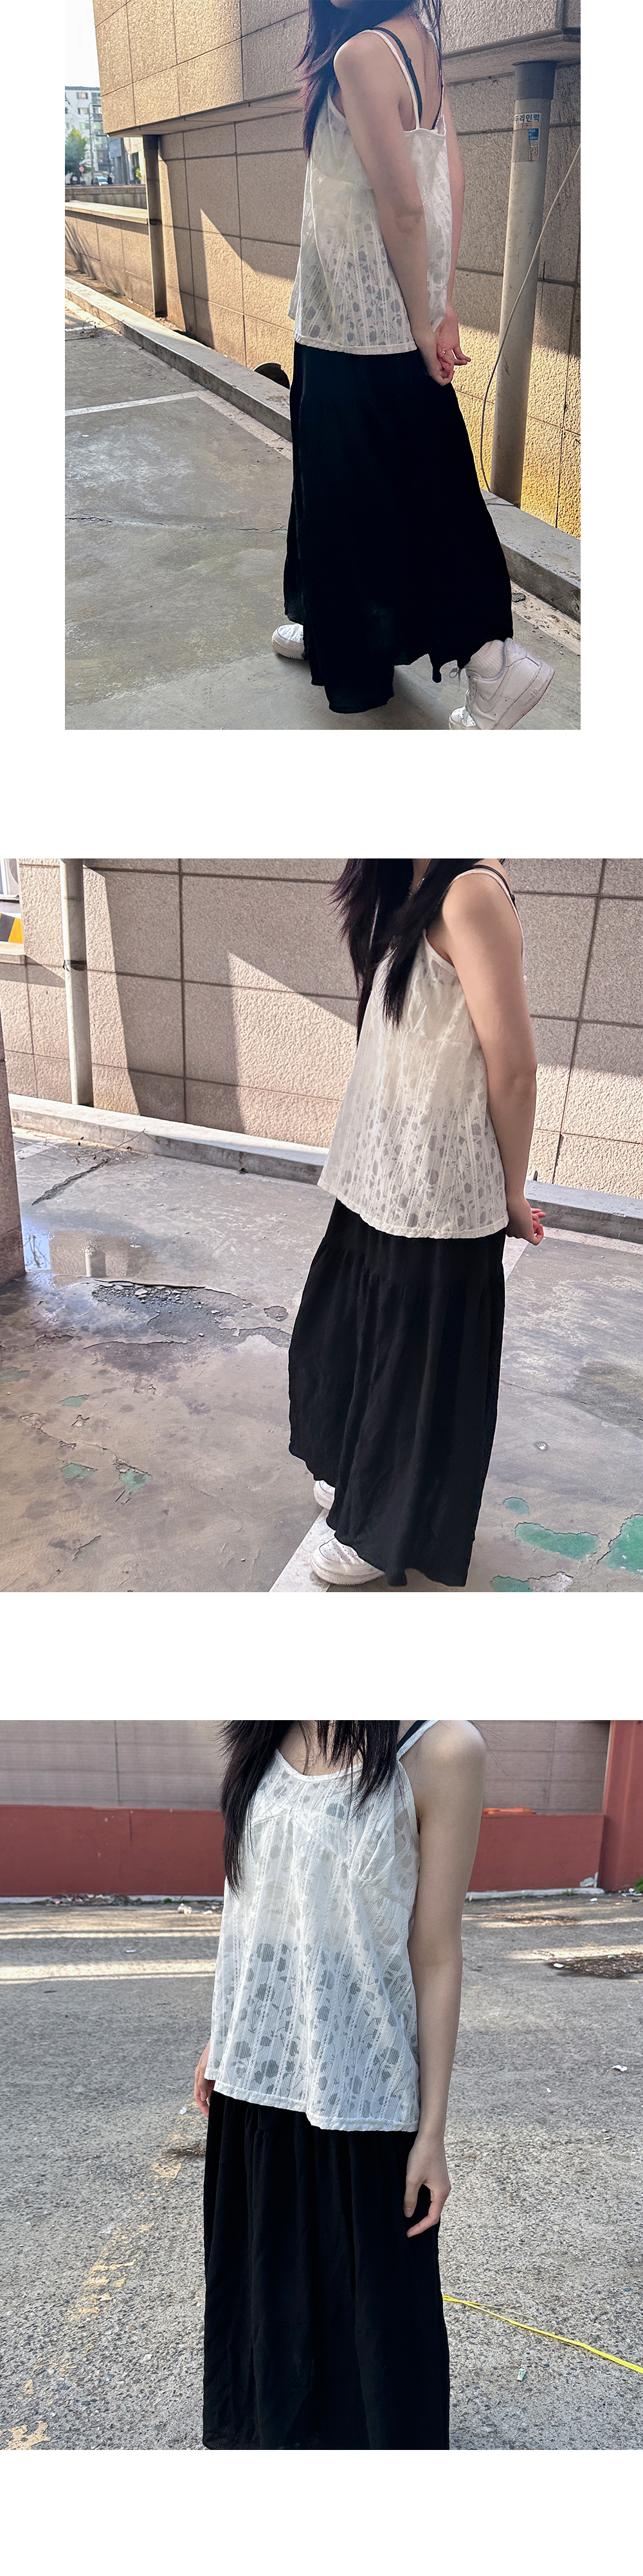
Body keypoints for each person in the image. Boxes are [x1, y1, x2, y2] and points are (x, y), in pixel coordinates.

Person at [194, 1714, 485, 2450]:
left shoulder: (440, 1749)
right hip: (255, 2085)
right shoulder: (264, 1732)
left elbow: (436, 1954)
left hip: (363, 2094)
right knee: (265, 2309)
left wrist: (432, 2131)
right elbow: (259, 1905)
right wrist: (223, 2034)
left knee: (375, 2337)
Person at [271, 0, 553, 729]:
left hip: (354, 324)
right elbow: (449, 180)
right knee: (407, 484)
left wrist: (429, 318)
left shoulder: (361, 55)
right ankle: (335, 629)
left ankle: (490, 664)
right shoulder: (419, 43)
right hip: (386, 315)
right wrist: (438, 303)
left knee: (358, 496)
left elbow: (406, 207)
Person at [288, 858, 545, 1588]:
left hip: (439, 1188)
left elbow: (514, 1067)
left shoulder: (470, 892)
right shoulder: (403, 878)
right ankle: (357, 1476)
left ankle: (383, 1530)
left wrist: (510, 1194)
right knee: (348, 1339)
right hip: (378, 1172)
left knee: (413, 1373)